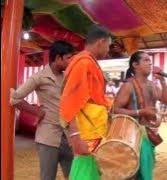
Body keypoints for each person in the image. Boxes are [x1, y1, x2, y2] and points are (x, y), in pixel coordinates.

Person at [10, 41, 75, 180]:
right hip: (48, 138)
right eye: (69, 58)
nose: (71, 61)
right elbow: (15, 99)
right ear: (58, 58)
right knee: (47, 177)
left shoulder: (66, 77)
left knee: (74, 176)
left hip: (67, 137)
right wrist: (36, 111)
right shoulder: (39, 77)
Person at [60, 25, 113, 180]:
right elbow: (70, 101)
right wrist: (75, 135)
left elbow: (91, 98)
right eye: (108, 46)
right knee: (83, 172)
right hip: (85, 133)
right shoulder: (83, 63)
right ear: (101, 42)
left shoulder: (88, 62)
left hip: (93, 130)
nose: (108, 50)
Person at [113, 51, 167, 179]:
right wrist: (141, 112)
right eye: (145, 60)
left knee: (145, 174)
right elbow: (115, 109)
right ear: (135, 64)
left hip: (148, 135)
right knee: (132, 174)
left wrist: (162, 81)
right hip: (131, 136)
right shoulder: (128, 86)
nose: (150, 63)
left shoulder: (152, 85)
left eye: (150, 60)